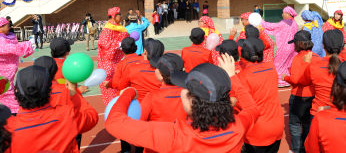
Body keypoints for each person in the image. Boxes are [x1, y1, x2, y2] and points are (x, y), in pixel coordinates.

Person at [105, 54, 260, 153]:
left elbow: (114, 122)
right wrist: (232, 78)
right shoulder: (238, 126)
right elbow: (253, 109)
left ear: (193, 101)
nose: (181, 91)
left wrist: (128, 93)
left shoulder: (174, 136)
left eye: (186, 88)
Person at [6, 65, 98, 153]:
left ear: (17, 91)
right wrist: (74, 92)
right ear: (50, 90)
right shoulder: (66, 115)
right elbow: (92, 117)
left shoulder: (8, 129)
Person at [237, 38, 284, 152]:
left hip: (257, 131)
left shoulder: (243, 77)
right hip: (276, 125)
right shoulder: (271, 68)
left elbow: (239, 105)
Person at [282, 31, 321, 153]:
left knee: (295, 124)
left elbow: (296, 80)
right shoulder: (317, 57)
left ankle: (296, 149)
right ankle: (307, 147)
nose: (293, 46)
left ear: (299, 44)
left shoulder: (297, 58)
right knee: (308, 123)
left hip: (298, 95)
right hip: (313, 95)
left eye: (295, 43)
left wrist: (285, 78)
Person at [299, 29, 344, 118]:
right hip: (341, 113)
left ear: (323, 46)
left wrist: (305, 64)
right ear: (342, 46)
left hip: (318, 112)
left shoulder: (314, 65)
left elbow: (302, 82)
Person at [140, 53, 186, 125]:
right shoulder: (191, 95)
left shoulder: (152, 97)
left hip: (158, 134)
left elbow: (139, 120)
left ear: (160, 74)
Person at [0, 17, 34, 114]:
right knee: (6, 90)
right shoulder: (1, 39)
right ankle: (14, 111)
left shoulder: (7, 36)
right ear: (1, 27)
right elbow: (11, 48)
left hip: (9, 70)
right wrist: (28, 45)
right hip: (3, 70)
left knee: (6, 88)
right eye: (8, 25)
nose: (9, 27)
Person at [98, 7, 129, 105]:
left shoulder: (119, 28)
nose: (121, 16)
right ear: (113, 16)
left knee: (118, 92)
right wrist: (119, 44)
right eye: (119, 14)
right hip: (107, 66)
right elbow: (105, 45)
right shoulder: (107, 30)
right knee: (111, 96)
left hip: (116, 65)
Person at [261, 6, 299, 87]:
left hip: (284, 48)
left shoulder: (284, 23)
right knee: (287, 64)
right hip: (292, 48)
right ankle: (286, 79)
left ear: (288, 14)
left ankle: (281, 81)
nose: (282, 14)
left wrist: (261, 22)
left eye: (283, 13)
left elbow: (272, 27)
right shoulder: (294, 23)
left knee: (278, 64)